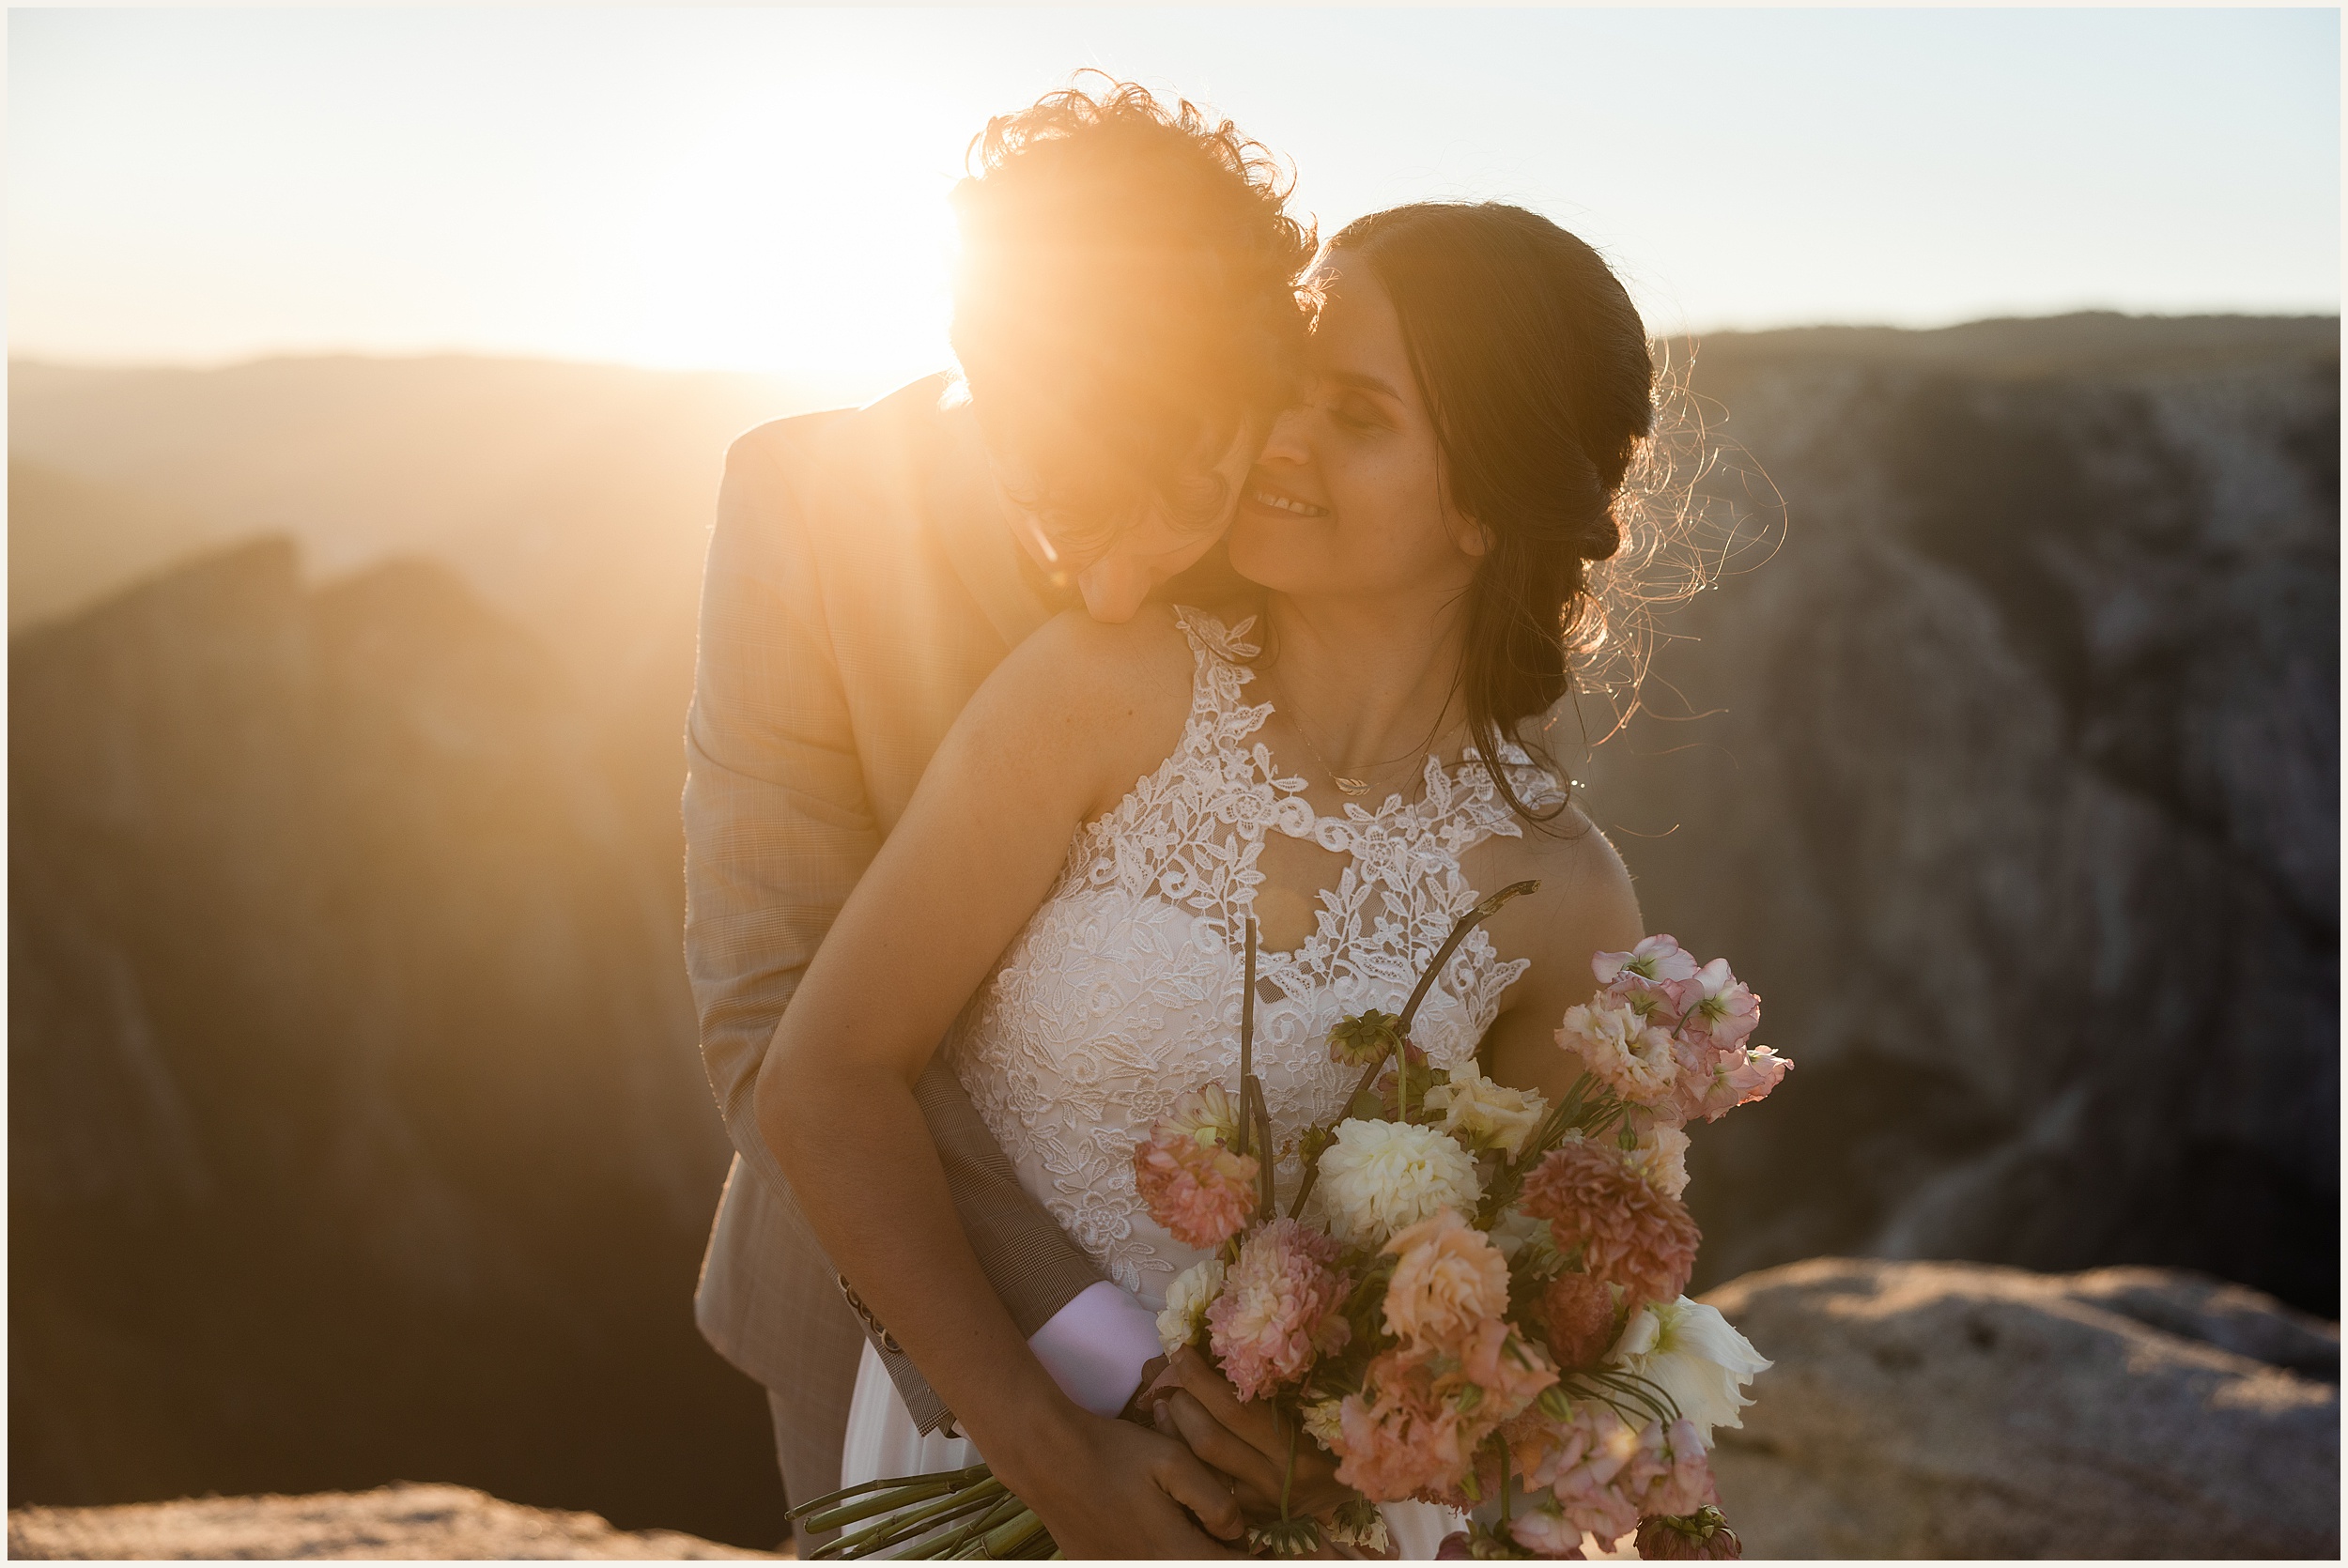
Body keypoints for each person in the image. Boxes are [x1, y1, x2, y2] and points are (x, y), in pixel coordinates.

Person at [762, 199, 1660, 1558]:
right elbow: (822, 1076)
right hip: (981, 1448)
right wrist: (1054, 1455)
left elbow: (1547, 1330)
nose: (1280, 439)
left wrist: (1350, 1458)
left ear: (1490, 500)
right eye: (1288, 389)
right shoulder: (1107, 686)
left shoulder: (1564, 899)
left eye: (1356, 416)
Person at [682, 77, 1316, 1556]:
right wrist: (1095, 1369)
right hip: (872, 1302)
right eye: (1063, 510)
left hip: (1252, 1337)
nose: (1115, 589)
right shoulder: (802, 509)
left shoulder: (1288, 524)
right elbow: (769, 1004)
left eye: (1185, 506)